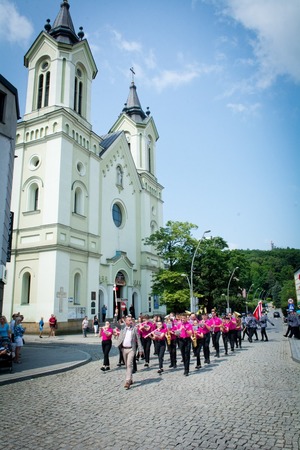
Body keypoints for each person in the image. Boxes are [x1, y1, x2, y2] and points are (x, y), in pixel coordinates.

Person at [117, 316, 143, 389]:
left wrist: (140, 349)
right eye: (129, 320)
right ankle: (130, 378)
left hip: (132, 349)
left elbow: (138, 339)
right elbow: (115, 324)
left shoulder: (134, 329)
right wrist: (116, 315)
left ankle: (127, 381)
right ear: (125, 321)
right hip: (124, 349)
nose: (130, 321)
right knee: (126, 365)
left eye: (131, 320)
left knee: (129, 364)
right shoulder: (123, 328)